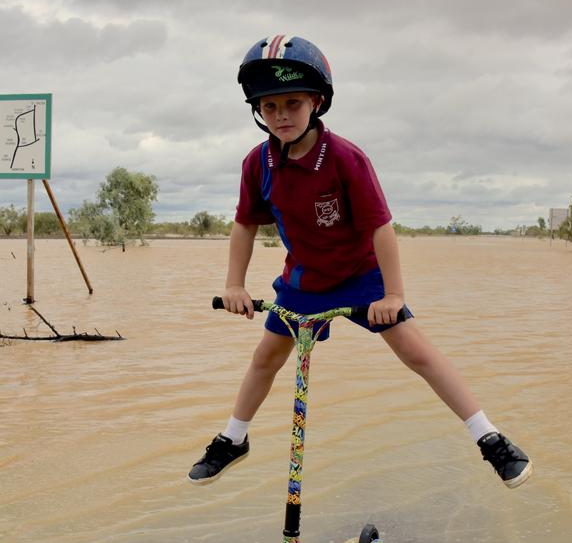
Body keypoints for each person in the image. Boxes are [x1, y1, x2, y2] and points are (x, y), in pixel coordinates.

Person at [188, 35, 531, 490]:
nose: (281, 116)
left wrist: (393, 295)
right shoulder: (258, 163)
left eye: (292, 103)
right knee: (266, 358)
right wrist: (234, 284)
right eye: (269, 108)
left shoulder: (346, 159)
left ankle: (488, 437)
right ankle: (233, 439)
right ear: (257, 111)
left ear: (317, 102)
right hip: (303, 281)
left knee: (417, 351)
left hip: (361, 277)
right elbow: (245, 226)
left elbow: (380, 227)